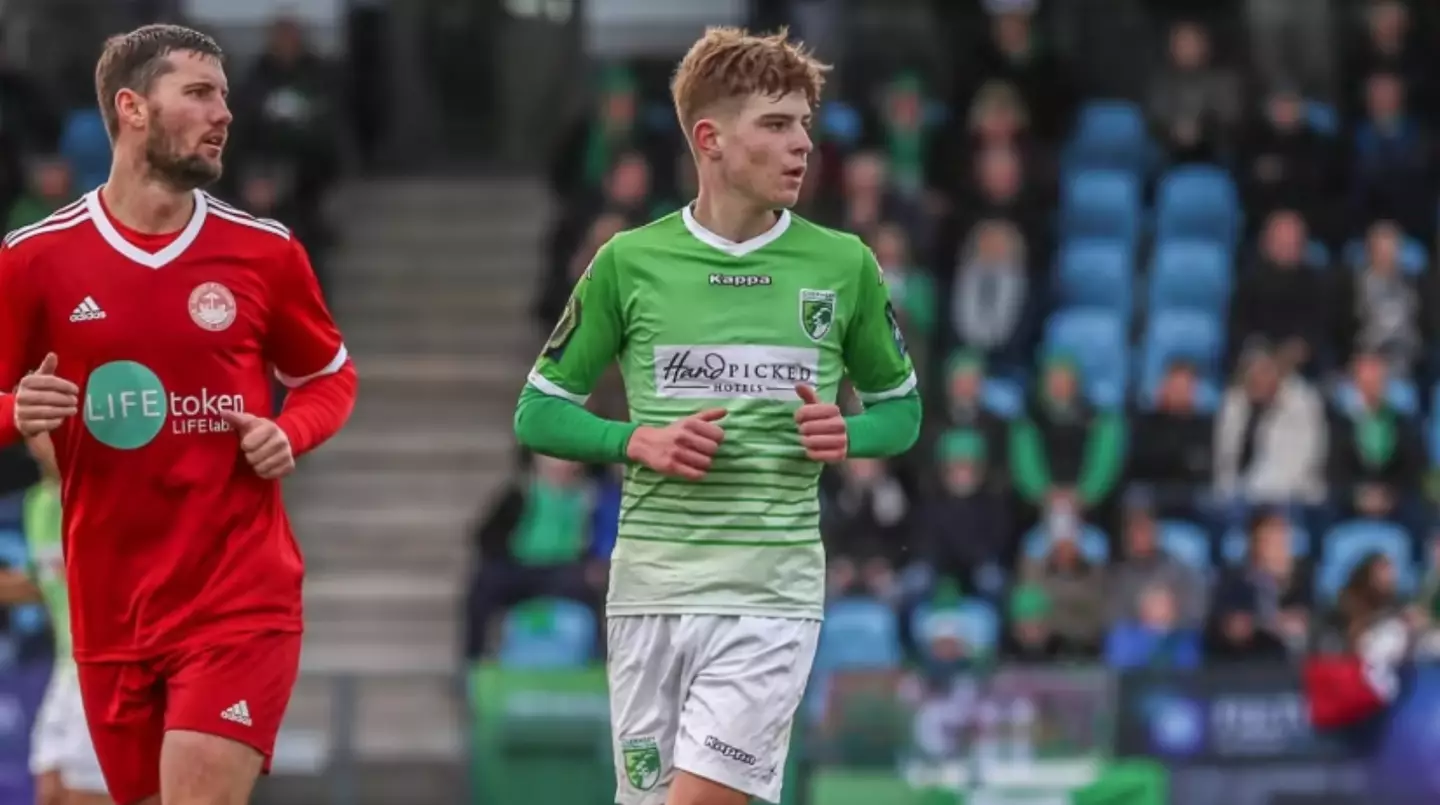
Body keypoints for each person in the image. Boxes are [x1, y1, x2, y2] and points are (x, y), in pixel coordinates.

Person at [512, 26, 921, 805]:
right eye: (776, 124)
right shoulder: (629, 263)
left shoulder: (844, 265)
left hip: (769, 593)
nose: (803, 143)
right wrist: (637, 438)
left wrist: (851, 433)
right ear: (710, 138)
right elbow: (539, 412)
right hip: (650, 591)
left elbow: (900, 411)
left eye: (805, 123)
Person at [0, 25, 357, 805]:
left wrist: (288, 429)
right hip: (111, 611)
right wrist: (14, 408)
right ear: (132, 108)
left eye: (225, 94)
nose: (223, 112)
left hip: (238, 596)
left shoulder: (265, 252)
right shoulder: (35, 260)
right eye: (199, 93)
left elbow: (330, 377)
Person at [0, 434, 109, 805]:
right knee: (49, 791)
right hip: (67, 669)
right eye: (33, 435)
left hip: (108, 665)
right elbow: (41, 582)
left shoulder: (104, 494)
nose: (38, 444)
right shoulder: (37, 504)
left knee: (86, 795)